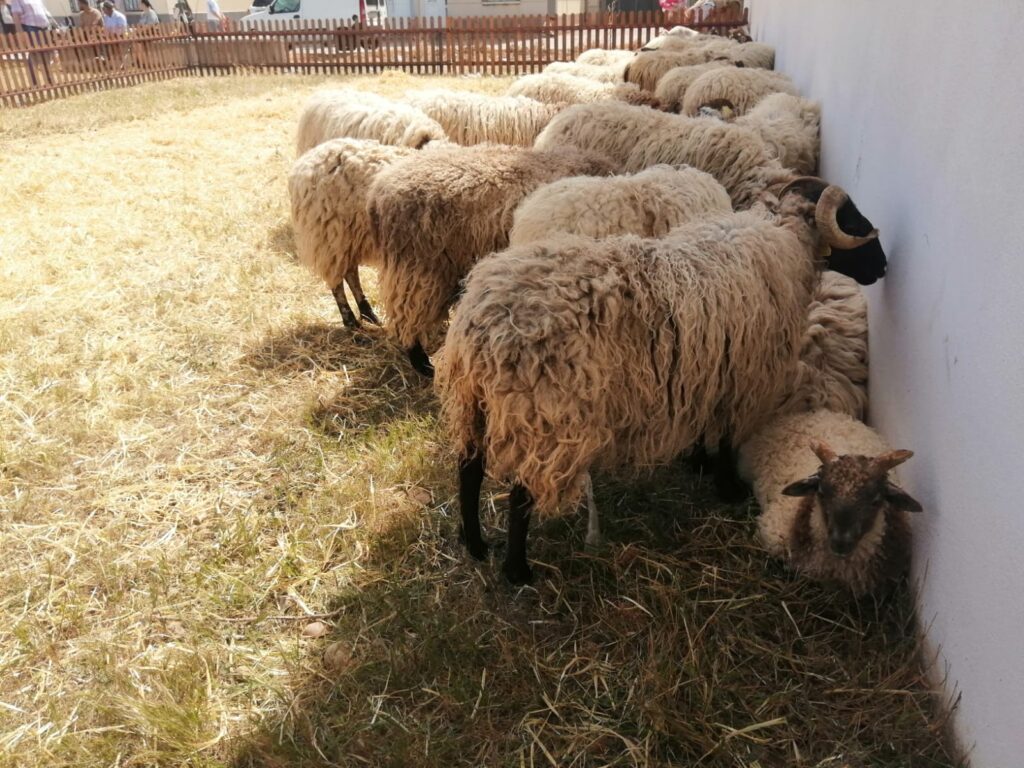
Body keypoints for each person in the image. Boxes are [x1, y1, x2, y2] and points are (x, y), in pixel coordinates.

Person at [8, 0, 53, 84]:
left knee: (47, 52)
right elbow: (15, 15)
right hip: (30, 26)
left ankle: (49, 77)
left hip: (44, 27)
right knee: (35, 52)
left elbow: (44, 11)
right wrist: (20, 32)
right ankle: (34, 80)